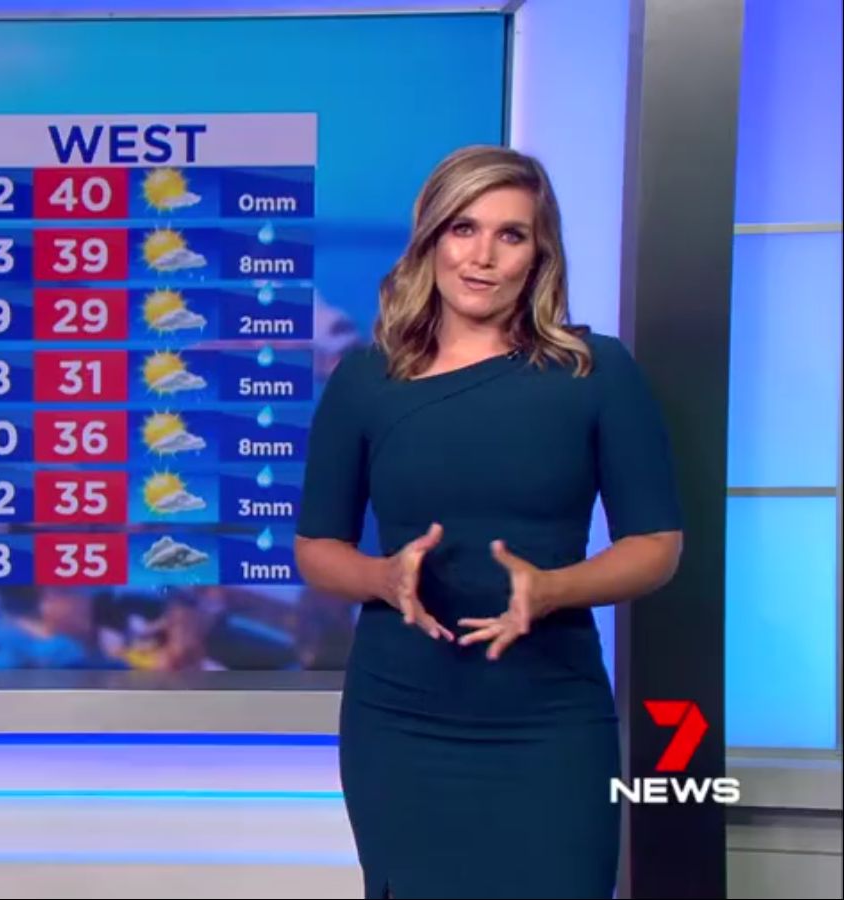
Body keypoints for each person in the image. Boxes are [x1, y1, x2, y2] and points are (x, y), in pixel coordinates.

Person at [293, 145, 684, 899]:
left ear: (540, 254)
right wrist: (382, 576)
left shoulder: (595, 373)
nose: (483, 256)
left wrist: (555, 589)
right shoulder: (367, 380)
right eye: (463, 228)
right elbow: (317, 548)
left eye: (511, 234)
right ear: (431, 238)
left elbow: (656, 546)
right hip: (400, 719)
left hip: (550, 719)